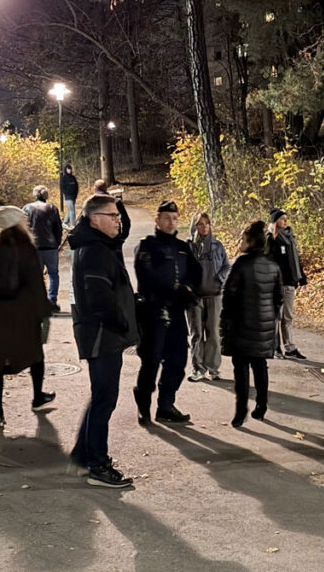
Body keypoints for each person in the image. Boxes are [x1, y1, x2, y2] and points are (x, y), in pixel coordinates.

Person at [67, 194, 139, 488]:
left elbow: (123, 231)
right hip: (101, 336)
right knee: (104, 400)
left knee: (101, 398)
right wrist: (121, 323)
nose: (118, 220)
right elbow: (100, 299)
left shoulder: (98, 244)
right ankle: (97, 465)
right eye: (113, 215)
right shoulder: (94, 250)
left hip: (104, 336)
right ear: (95, 219)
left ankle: (82, 458)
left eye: (118, 215)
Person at [0, 206, 56, 429]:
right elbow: (36, 285)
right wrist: (43, 313)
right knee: (35, 355)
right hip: (23, 312)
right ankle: (38, 396)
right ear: (17, 223)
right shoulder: (26, 248)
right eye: (24, 219)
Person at [133, 201, 202, 424]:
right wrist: (174, 289)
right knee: (151, 361)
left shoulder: (182, 247)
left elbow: (196, 272)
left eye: (174, 218)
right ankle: (144, 406)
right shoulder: (147, 246)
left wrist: (189, 289)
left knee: (177, 360)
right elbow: (146, 277)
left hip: (176, 312)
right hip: (153, 312)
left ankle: (165, 405)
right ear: (157, 220)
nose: (171, 222)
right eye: (166, 218)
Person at [221, 220, 284, 427]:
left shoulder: (240, 264)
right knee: (260, 366)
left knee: (241, 370)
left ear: (249, 241)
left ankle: (240, 411)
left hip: (241, 325)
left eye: (242, 238)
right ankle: (262, 406)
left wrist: (226, 320)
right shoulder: (273, 266)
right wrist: (270, 316)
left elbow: (228, 294)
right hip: (264, 326)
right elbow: (278, 297)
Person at [186, 211, 231, 382]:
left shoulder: (217, 245)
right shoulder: (189, 246)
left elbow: (226, 266)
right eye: (200, 224)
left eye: (206, 223)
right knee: (196, 333)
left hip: (214, 295)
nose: (204, 227)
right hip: (194, 298)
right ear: (195, 226)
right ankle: (198, 368)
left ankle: (213, 368)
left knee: (213, 333)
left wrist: (219, 279)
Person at [266, 208, 307, 359]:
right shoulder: (270, 238)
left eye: (285, 218)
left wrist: (301, 277)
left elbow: (296, 258)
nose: (285, 221)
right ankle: (276, 347)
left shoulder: (290, 237)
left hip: (290, 282)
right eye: (282, 219)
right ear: (275, 221)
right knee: (277, 316)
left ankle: (290, 347)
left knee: (288, 317)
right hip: (276, 284)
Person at [22, 185, 63, 313]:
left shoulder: (27, 208)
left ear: (35, 195)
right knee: (53, 274)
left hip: (34, 247)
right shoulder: (52, 208)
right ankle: (52, 301)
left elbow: (23, 227)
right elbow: (58, 228)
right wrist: (57, 243)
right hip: (50, 246)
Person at [59, 164, 79, 228]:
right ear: (66, 170)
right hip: (68, 197)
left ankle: (64, 222)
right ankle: (73, 224)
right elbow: (62, 187)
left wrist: (75, 195)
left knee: (70, 210)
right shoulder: (63, 178)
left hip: (73, 196)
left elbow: (76, 187)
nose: (69, 170)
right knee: (72, 210)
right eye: (68, 169)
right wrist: (65, 193)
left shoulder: (73, 177)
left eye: (70, 169)